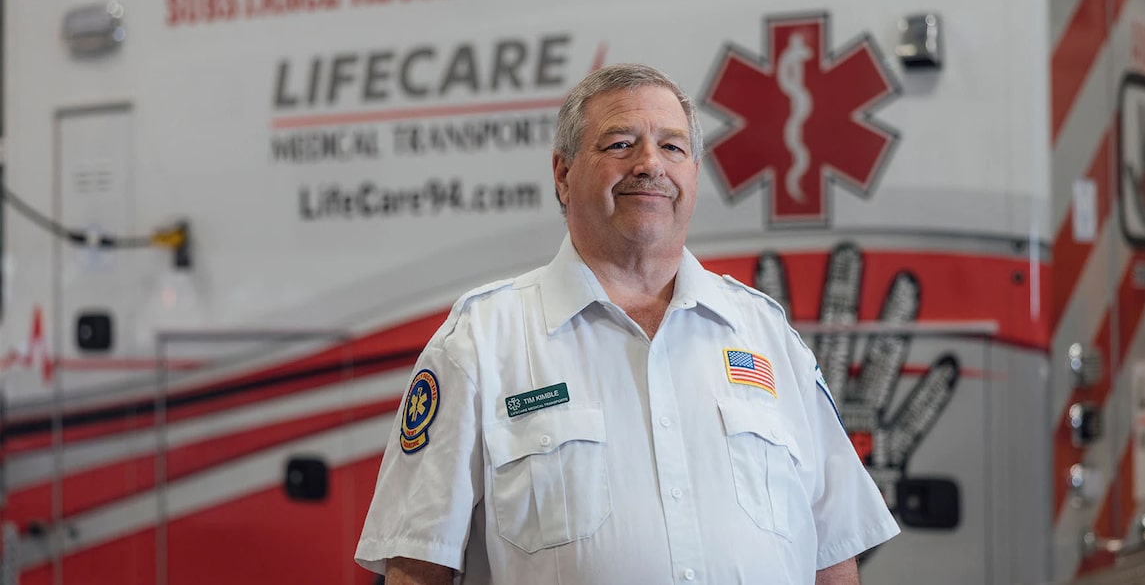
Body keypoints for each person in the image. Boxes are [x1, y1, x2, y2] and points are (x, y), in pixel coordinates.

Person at [355, 63, 899, 584]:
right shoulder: (480, 342)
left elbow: (833, 554)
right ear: (563, 174)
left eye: (672, 146)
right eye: (620, 144)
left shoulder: (766, 333)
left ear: (692, 173)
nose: (650, 165)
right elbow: (419, 567)